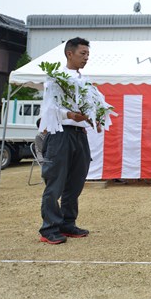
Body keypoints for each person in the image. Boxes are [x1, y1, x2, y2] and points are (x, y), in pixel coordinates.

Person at [37, 37, 105, 245]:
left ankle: (67, 223)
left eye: (88, 54)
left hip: (79, 135)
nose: (86, 58)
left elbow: (92, 107)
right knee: (55, 182)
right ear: (69, 53)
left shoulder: (85, 82)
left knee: (75, 182)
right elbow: (49, 109)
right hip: (60, 134)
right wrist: (69, 115)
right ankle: (49, 228)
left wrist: (95, 119)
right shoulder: (56, 79)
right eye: (82, 53)